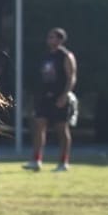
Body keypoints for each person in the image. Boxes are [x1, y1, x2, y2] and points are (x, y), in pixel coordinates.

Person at [26, 26, 77, 171]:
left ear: (60, 40)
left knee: (61, 129)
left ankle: (63, 162)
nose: (49, 40)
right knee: (39, 125)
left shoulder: (66, 56)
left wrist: (65, 95)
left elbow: (71, 77)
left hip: (59, 96)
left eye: (53, 37)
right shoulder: (46, 56)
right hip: (45, 97)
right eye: (49, 37)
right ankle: (36, 160)